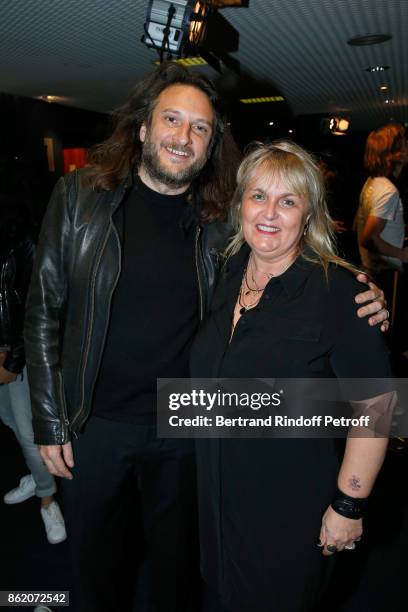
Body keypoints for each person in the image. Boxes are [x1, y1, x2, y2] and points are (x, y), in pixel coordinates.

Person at [24, 63, 388, 612]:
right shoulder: (81, 196)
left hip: (187, 425)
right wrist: (49, 420)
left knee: (181, 570)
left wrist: (365, 297)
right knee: (97, 567)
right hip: (94, 422)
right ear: (144, 128)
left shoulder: (218, 218)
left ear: (211, 143)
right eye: (172, 119)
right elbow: (43, 310)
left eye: (199, 127)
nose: (183, 136)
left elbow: (364, 389)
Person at [190, 141, 394, 612]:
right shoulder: (225, 274)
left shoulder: (340, 294)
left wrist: (348, 506)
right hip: (218, 503)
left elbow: (377, 408)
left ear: (308, 214)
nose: (269, 212)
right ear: (240, 202)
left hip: (289, 509)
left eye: (287, 201)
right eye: (258, 195)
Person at [0, 199, 66, 544]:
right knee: (8, 419)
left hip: (13, 353)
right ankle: (35, 477)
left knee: (29, 434)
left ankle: (47, 498)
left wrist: (12, 362)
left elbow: (37, 304)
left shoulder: (19, 237)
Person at [356, 123, 408, 327]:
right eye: (404, 144)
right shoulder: (388, 190)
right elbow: (368, 237)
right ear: (392, 154)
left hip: (375, 269)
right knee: (391, 331)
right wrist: (402, 254)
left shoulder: (372, 182)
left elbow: (359, 223)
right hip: (388, 273)